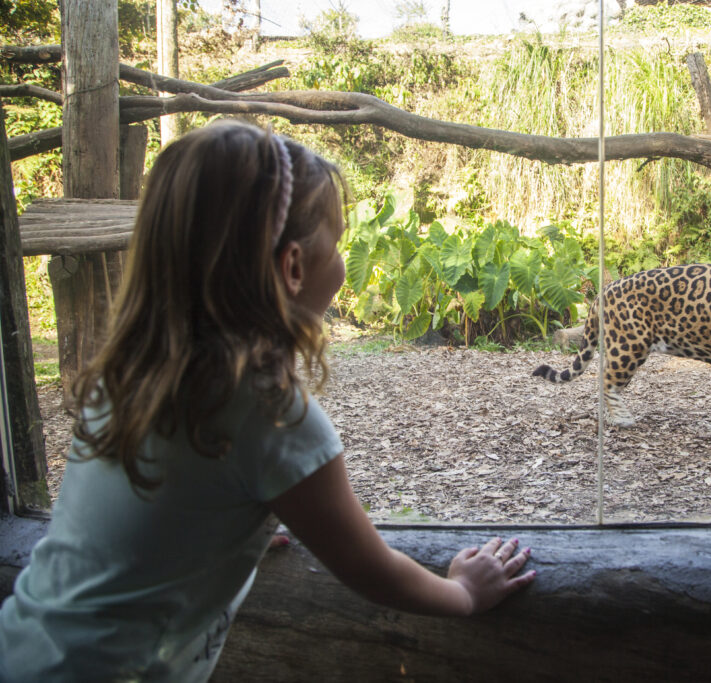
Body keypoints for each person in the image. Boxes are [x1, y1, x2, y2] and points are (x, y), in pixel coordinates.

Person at [0, 121, 535, 681]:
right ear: (294, 267)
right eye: (340, 243)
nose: (344, 261)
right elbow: (372, 569)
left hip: (27, 649)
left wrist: (243, 518)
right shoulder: (268, 412)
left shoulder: (131, 371)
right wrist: (464, 594)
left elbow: (177, 502)